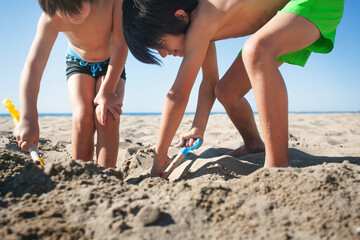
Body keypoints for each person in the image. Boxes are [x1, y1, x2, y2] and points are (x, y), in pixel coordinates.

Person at [122, 0, 344, 176]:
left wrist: (160, 155)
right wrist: (198, 127)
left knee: (256, 51)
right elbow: (209, 82)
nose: (163, 54)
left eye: (161, 44)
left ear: (180, 16)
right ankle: (254, 144)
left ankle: (278, 165)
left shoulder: (201, 21)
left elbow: (178, 95)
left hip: (313, 3)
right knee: (226, 91)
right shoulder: (198, 26)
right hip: (286, 12)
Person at [14, 0, 128, 168]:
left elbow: (121, 44)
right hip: (78, 61)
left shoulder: (112, 2)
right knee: (82, 117)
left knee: (107, 116)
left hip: (112, 61)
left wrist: (108, 89)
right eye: (63, 11)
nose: (69, 16)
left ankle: (107, 176)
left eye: (74, 9)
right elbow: (33, 65)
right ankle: (81, 174)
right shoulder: (51, 18)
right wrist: (28, 116)